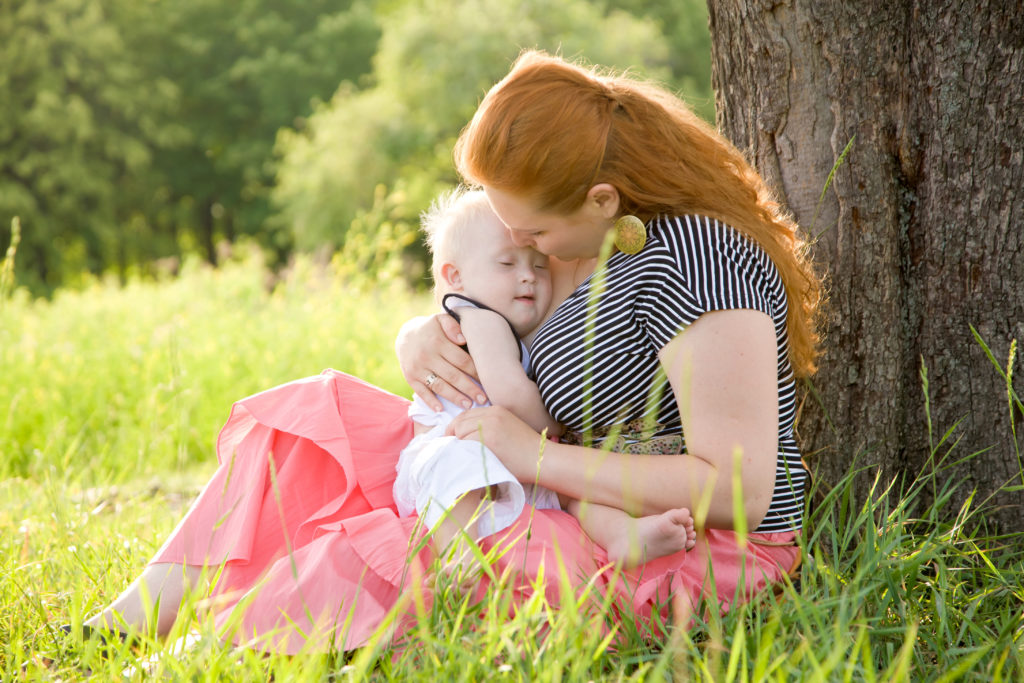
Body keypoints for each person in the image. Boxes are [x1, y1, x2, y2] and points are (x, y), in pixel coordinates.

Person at [75, 49, 820, 655]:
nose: (522, 245)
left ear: (600, 199)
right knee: (310, 418)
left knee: (401, 543)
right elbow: (488, 295)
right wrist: (428, 328)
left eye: (529, 230)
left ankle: (207, 656)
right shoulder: (584, 240)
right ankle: (125, 622)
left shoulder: (699, 259)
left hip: (688, 541)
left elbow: (740, 493)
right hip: (547, 482)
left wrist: (530, 456)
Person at [393, 187, 696, 572]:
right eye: (507, 265)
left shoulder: (512, 324)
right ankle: (457, 554)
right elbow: (510, 395)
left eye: (538, 266)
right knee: (459, 471)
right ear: (456, 276)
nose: (527, 278)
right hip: (457, 444)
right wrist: (559, 424)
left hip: (508, 452)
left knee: (575, 497)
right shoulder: (480, 320)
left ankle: (622, 535)